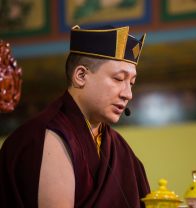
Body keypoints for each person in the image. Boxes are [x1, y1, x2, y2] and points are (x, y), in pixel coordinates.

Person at [0, 25, 150, 207]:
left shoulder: (120, 149)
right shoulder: (48, 136)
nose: (128, 94)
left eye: (131, 83)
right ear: (80, 75)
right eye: (118, 79)